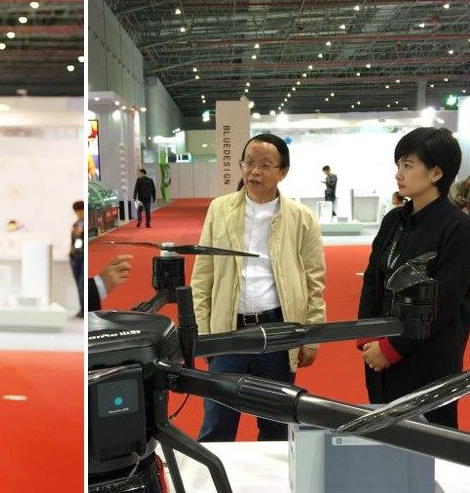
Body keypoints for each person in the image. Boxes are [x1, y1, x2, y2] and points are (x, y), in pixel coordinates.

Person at [191, 133, 326, 442]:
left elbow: (315, 280)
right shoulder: (220, 209)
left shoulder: (301, 218)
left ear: (283, 172)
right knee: (217, 423)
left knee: (277, 424)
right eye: (248, 163)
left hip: (278, 330)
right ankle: (212, 473)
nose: (254, 171)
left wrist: (312, 337)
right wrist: (202, 334)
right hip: (228, 332)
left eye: (265, 165)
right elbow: (202, 276)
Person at [357, 127, 470, 428]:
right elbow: (372, 280)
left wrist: (392, 349)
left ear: (436, 173)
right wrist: (369, 337)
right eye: (398, 165)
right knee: (383, 438)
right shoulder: (394, 220)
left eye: (408, 166)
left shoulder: (458, 228)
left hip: (429, 360)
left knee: (428, 441)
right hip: (380, 357)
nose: (399, 174)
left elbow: (443, 302)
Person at [71, 200, 84, 316]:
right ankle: (82, 309)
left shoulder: (86, 222)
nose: (79, 214)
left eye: (81, 211)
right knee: (78, 284)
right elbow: (74, 241)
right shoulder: (76, 224)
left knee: (82, 285)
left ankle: (84, 310)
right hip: (75, 256)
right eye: (77, 212)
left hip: (83, 256)